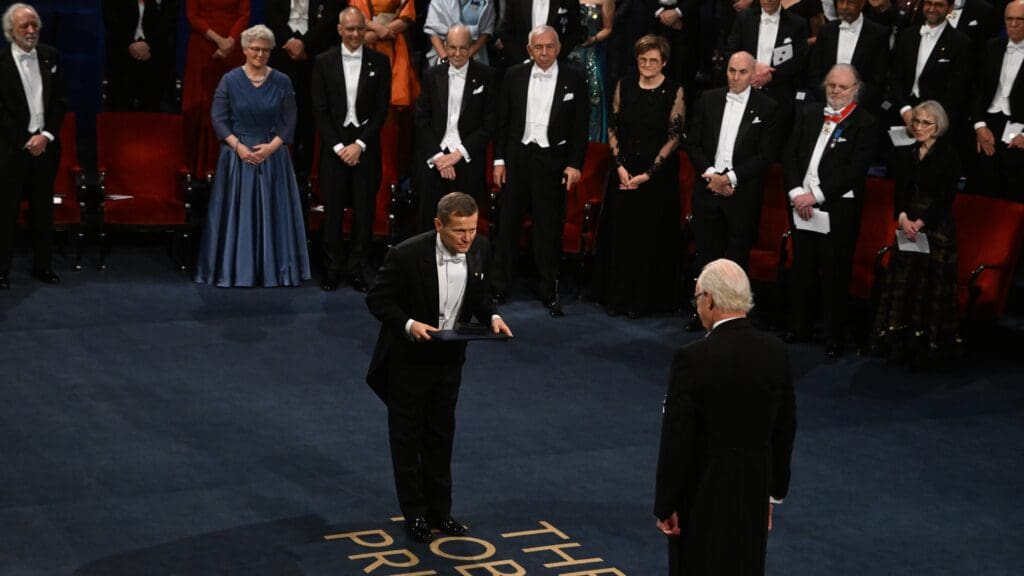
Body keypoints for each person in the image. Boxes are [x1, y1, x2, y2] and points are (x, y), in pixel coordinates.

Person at [365, 191, 513, 544]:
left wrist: (492, 315)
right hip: (408, 360)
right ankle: (414, 514)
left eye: (472, 229)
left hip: (450, 360)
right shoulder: (406, 255)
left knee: (441, 436)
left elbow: (480, 294)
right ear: (438, 225)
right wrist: (409, 324)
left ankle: (441, 512)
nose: (467, 238)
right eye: (459, 231)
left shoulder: (481, 248)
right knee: (407, 438)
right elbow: (377, 299)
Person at [654, 258, 797, 576]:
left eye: (696, 299)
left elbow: (677, 439)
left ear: (709, 299)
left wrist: (666, 503)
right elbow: (785, 428)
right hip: (752, 493)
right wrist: (772, 494)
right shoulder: (776, 352)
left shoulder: (692, 359)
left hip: (702, 497)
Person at [194, 25, 311, 288]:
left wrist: (272, 147)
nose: (259, 54)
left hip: (273, 156)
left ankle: (275, 272)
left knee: (274, 214)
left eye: (265, 50)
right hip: (238, 156)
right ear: (245, 50)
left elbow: (290, 120)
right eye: (254, 49)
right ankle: (234, 270)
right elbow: (219, 118)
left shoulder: (282, 81)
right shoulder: (230, 80)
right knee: (238, 215)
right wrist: (238, 147)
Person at [491, 25, 589, 315]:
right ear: (529, 49)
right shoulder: (513, 76)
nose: (544, 52)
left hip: (553, 162)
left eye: (549, 47)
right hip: (518, 158)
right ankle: (499, 287)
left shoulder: (575, 79)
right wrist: (499, 161)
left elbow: (581, 127)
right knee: (508, 225)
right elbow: (503, 122)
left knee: (548, 228)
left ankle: (549, 289)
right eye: (538, 47)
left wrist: (575, 164)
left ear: (558, 48)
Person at [784, 64, 876, 358]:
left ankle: (834, 335)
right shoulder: (809, 113)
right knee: (802, 267)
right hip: (801, 204)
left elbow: (855, 170)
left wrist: (817, 196)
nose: (836, 91)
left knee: (835, 272)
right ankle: (800, 327)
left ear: (855, 90)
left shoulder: (865, 123)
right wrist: (798, 193)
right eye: (831, 86)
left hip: (838, 208)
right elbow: (790, 154)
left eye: (842, 87)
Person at [592, 34, 684, 317]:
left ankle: (643, 302)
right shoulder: (625, 85)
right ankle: (617, 298)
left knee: (648, 238)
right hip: (623, 170)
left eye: (653, 60)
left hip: (656, 176)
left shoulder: (674, 90)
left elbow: (675, 136)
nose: (647, 64)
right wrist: (619, 166)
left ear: (664, 62)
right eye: (643, 59)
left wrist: (648, 174)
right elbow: (613, 128)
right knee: (622, 236)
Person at [872, 101, 960, 366]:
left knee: (928, 284)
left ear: (938, 126)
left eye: (925, 123)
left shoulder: (949, 155)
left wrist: (920, 222)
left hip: (934, 229)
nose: (919, 127)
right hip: (907, 224)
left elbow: (946, 198)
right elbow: (900, 190)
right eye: (916, 122)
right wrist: (902, 217)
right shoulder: (906, 153)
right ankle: (898, 340)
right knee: (903, 279)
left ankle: (926, 346)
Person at [311, 7, 392, 293]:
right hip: (334, 147)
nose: (356, 34)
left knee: (364, 211)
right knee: (332, 211)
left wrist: (359, 144)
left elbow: (383, 110)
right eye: (350, 29)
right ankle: (333, 268)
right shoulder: (323, 62)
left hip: (365, 146)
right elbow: (319, 111)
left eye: (360, 28)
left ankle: (356, 268)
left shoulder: (380, 62)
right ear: (339, 30)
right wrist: (337, 146)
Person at [685, 50, 778, 275]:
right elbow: (693, 143)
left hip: (742, 195)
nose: (735, 77)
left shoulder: (768, 107)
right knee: (705, 256)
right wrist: (712, 175)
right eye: (731, 71)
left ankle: (731, 310)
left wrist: (728, 179)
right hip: (707, 189)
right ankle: (703, 306)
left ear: (753, 74)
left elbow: (765, 155)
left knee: (736, 261)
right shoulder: (708, 99)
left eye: (742, 72)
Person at [0, 3, 67, 289]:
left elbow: (60, 102)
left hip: (45, 148)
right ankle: (1, 271)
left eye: (34, 25)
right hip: (11, 150)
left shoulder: (50, 56)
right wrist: (24, 140)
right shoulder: (0, 61)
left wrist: (47, 135)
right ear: (10, 32)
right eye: (23, 26)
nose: (30, 31)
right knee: (5, 212)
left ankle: (43, 266)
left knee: (43, 211)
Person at [414, 24, 498, 231]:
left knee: (462, 227)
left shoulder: (488, 76)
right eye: (452, 47)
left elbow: (490, 123)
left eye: (463, 48)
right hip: (435, 160)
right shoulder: (431, 75)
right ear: (444, 46)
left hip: (467, 161)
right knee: (429, 224)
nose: (458, 53)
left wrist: (458, 153)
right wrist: (439, 157)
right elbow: (421, 118)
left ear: (471, 47)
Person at [264, 0, 345, 180]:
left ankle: (311, 175)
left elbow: (331, 18)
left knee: (313, 115)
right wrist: (290, 41)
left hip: (316, 54)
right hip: (282, 52)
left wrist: (305, 44)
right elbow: (271, 14)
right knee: (280, 114)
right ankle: (279, 172)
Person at [182, 0, 250, 179]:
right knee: (202, 105)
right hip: (203, 45)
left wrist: (231, 40)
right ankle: (201, 168)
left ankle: (232, 167)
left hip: (233, 47)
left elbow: (244, 14)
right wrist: (220, 40)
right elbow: (192, 15)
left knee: (231, 105)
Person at [727, 0, 809, 144]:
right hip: (744, 90)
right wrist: (753, 66)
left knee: (772, 144)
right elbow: (732, 49)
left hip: (779, 95)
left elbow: (800, 60)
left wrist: (771, 75)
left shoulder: (797, 23)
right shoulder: (744, 18)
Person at [969, 0, 1024, 201]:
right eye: (1009, 19)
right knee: (982, 186)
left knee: (1013, 190)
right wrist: (979, 126)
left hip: (1020, 129)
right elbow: (977, 90)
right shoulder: (992, 46)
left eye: (1020, 20)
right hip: (989, 123)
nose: (1014, 24)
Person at [888, 0, 972, 129]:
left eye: (939, 5)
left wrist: (930, 117)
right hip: (902, 111)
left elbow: (957, 88)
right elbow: (895, 77)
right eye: (928, 3)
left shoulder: (960, 42)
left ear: (950, 8)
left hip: (937, 118)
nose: (932, 9)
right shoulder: (907, 35)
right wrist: (904, 109)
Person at [808, 0, 891, 114]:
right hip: (825, 105)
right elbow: (815, 71)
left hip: (861, 109)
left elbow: (878, 77)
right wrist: (828, 98)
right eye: (841, 2)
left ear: (862, 3)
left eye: (850, 2)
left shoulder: (879, 33)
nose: (844, 7)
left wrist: (855, 102)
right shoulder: (826, 31)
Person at [102, 0, 179, 112]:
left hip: (155, 58)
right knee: (120, 109)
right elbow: (110, 18)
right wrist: (129, 44)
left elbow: (170, 18)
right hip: (122, 57)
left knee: (153, 111)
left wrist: (150, 45)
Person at [348, 0, 421, 108]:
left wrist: (377, 34)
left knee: (390, 98)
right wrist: (375, 28)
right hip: (364, 45)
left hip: (393, 47)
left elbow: (406, 19)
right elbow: (352, 16)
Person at [567, 0, 613, 142]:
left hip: (592, 54)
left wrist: (593, 39)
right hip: (567, 54)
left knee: (594, 97)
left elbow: (608, 28)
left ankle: (594, 142)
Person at [498, 0, 582, 66]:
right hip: (520, 69)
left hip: (557, 68)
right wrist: (524, 62)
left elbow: (575, 31)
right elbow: (506, 32)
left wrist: (554, 60)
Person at [423, 0, 496, 66]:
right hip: (444, 56)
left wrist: (468, 54)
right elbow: (433, 31)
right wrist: (445, 59)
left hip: (475, 56)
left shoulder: (485, 1)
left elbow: (486, 30)